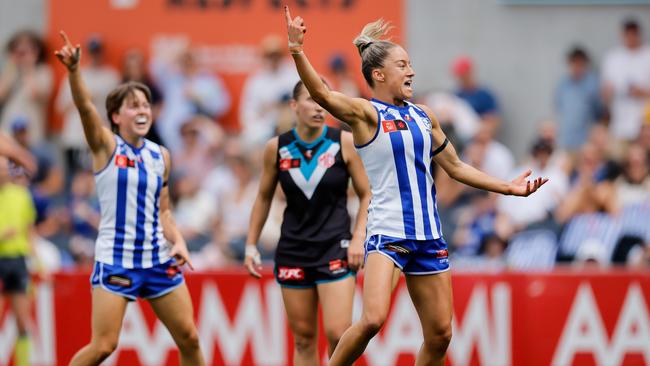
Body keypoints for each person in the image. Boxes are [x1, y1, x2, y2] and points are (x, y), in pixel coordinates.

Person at [283, 8, 547, 365]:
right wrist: (298, 51)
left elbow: (454, 166)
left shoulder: (424, 114)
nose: (412, 71)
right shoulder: (367, 114)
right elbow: (324, 96)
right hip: (388, 231)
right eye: (403, 65)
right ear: (379, 74)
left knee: (440, 335)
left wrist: (507, 187)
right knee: (373, 318)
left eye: (410, 64)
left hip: (429, 234)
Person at [53, 31, 204, 366]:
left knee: (190, 338)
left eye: (146, 104)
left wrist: (178, 241)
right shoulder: (106, 146)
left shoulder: (161, 155)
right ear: (116, 117)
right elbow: (84, 107)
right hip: (117, 258)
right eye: (133, 105)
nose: (143, 110)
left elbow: (164, 212)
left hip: (158, 259)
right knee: (104, 346)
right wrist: (75, 72)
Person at [243, 79, 371, 364]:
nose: (318, 106)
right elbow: (263, 198)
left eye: (322, 99)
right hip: (293, 249)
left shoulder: (344, 142)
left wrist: (359, 236)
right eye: (311, 100)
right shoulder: (276, 148)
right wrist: (251, 245)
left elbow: (366, 194)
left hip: (335, 246)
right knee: (302, 338)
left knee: (339, 334)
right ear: (293, 106)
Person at [0, 155, 36, 366]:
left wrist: (36, 262)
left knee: (23, 320)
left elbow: (29, 231)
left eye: (5, 168)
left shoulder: (22, 195)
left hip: (18, 261)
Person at [601, 18, 650, 141]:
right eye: (627, 34)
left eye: (634, 34)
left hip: (645, 126)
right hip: (619, 126)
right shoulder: (613, 58)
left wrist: (641, 92)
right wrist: (608, 93)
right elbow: (604, 93)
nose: (631, 38)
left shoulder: (647, 55)